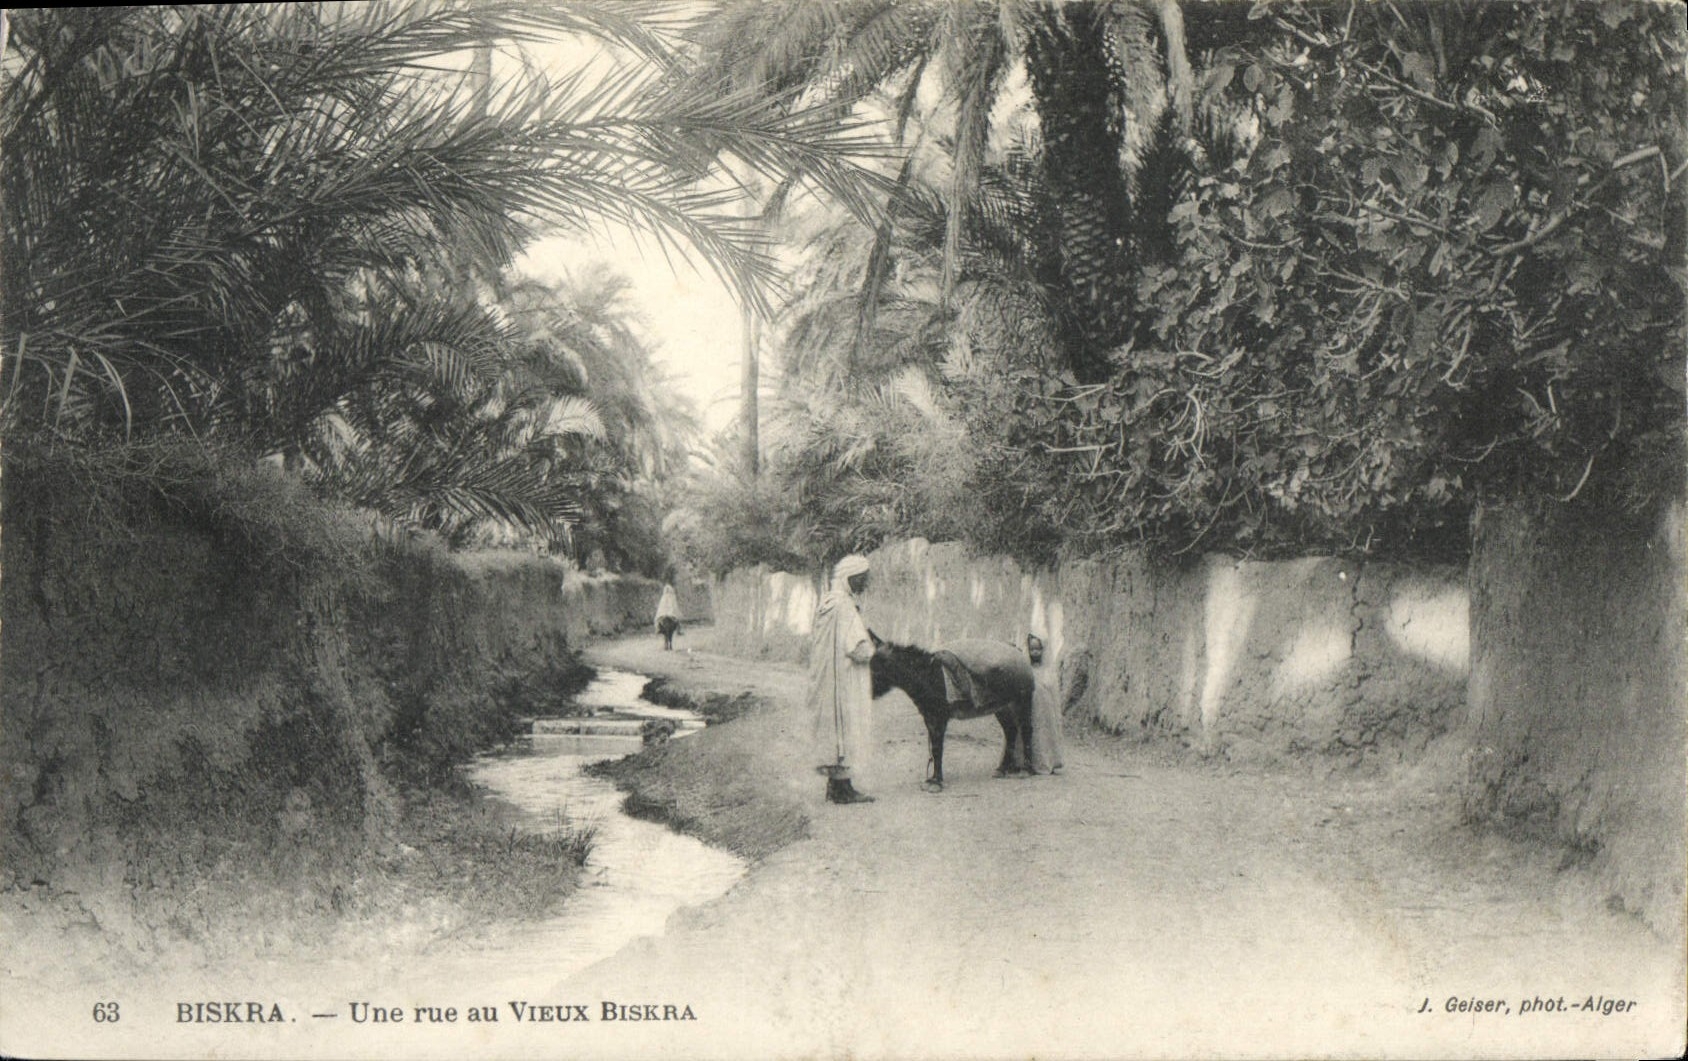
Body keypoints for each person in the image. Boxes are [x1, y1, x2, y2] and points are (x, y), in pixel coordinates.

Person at [809, 554, 876, 804]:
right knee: (848, 727)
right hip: (845, 679)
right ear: (851, 578)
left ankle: (835, 786)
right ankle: (843, 789)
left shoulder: (828, 601)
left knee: (835, 728)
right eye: (863, 579)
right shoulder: (845, 606)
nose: (865, 584)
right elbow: (857, 648)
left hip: (828, 678)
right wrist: (873, 652)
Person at [1026, 634, 1065, 774]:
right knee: (1034, 733)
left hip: (1046, 708)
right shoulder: (1026, 669)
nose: (1035, 652)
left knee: (1045, 733)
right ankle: (1033, 763)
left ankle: (1049, 761)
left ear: (1042, 651)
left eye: (1038, 649)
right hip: (1032, 707)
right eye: (1032, 649)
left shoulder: (1048, 670)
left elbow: (1052, 690)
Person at [654, 583, 682, 650]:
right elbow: (675, 607)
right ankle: (679, 630)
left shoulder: (663, 597)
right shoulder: (672, 597)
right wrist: (675, 614)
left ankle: (658, 629)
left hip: (663, 614)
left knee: (658, 621)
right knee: (677, 622)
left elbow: (660, 608)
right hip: (671, 614)